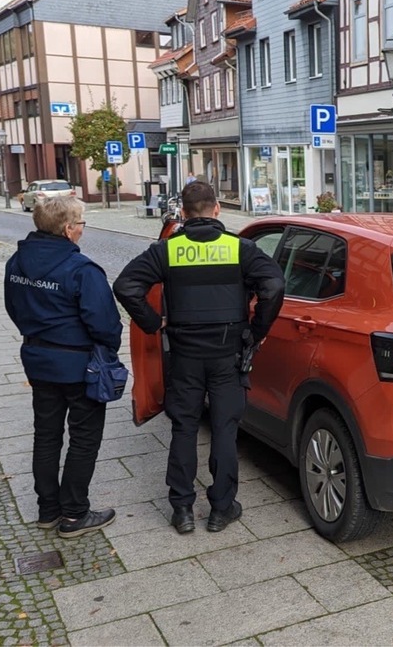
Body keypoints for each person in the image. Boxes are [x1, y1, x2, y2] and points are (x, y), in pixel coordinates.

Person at [113, 181, 284, 534]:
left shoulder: (167, 250)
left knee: (184, 427)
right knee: (224, 429)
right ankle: (222, 508)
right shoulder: (241, 249)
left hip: (185, 355)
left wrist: (151, 323)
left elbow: (126, 285)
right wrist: (257, 329)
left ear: (184, 214)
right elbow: (274, 286)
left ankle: (182, 510)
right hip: (227, 354)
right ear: (217, 209)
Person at [4, 195, 122, 538]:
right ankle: (74, 514)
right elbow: (105, 322)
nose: (83, 230)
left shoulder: (16, 263)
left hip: (38, 360)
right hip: (78, 365)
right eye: (82, 224)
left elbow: (14, 308)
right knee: (84, 439)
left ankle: (48, 510)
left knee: (47, 435)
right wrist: (107, 350)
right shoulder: (81, 269)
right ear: (69, 229)